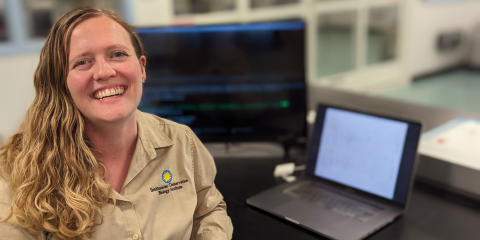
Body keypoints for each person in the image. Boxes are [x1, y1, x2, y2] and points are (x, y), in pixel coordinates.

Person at [0, 7, 233, 240]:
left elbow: (209, 211)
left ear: (142, 67)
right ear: (61, 82)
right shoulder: (16, 171)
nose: (103, 72)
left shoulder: (182, 141)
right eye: (82, 62)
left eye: (117, 54)